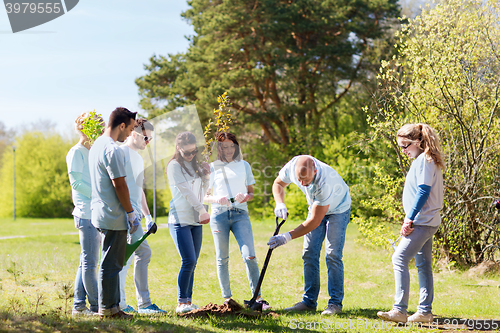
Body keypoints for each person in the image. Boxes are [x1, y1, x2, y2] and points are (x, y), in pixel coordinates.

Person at [377, 123, 444, 324]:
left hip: (422, 221)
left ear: (418, 142)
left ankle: (399, 310)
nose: (403, 150)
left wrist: (409, 218)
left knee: (399, 259)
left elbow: (423, 191)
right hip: (425, 221)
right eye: (401, 147)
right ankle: (424, 313)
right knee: (423, 264)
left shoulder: (425, 160)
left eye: (406, 145)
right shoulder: (423, 160)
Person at [267, 155, 351, 315]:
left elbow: (314, 221)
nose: (303, 184)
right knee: (309, 253)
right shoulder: (292, 166)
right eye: (300, 180)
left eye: (306, 180)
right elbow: (278, 183)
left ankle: (335, 305)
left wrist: (286, 237)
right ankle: (308, 302)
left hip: (338, 209)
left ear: (315, 171)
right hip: (316, 206)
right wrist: (280, 202)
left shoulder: (324, 181)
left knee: (332, 254)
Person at [89, 107, 140, 319]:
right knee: (112, 265)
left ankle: (113, 307)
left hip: (101, 212)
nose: (130, 134)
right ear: (121, 125)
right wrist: (130, 212)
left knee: (110, 263)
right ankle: (109, 310)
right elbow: (120, 185)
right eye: (130, 129)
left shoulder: (97, 145)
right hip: (113, 214)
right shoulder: (112, 150)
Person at [204, 132, 264, 303]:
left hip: (240, 215)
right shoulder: (213, 167)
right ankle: (227, 299)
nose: (229, 149)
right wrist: (216, 199)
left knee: (249, 256)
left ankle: (257, 298)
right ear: (220, 148)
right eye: (225, 146)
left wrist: (245, 196)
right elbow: (204, 196)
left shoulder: (244, 165)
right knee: (222, 258)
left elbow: (251, 193)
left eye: (232, 146)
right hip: (219, 215)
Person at [118, 118, 166, 314]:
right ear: (134, 133)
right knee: (125, 259)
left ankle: (139, 303)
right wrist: (128, 213)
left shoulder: (138, 158)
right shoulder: (121, 153)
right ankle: (124, 304)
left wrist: (148, 216)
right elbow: (117, 185)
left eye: (151, 139)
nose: (148, 142)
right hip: (125, 215)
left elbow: (139, 190)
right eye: (146, 138)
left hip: (136, 216)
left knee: (140, 254)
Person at [166, 132, 210, 314]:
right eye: (187, 153)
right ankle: (181, 303)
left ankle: (188, 302)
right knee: (188, 260)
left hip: (196, 220)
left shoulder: (196, 166)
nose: (191, 155)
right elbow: (185, 191)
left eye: (194, 152)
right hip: (180, 219)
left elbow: (202, 191)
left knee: (193, 262)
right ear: (178, 148)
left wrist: (207, 176)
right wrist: (202, 210)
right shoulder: (174, 166)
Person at [66, 112, 104, 316]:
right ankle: (97, 306)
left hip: (94, 211)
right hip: (86, 212)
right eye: (97, 127)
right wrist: (100, 194)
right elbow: (77, 183)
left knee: (85, 261)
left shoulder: (93, 151)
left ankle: (79, 307)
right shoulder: (76, 152)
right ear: (87, 128)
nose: (101, 131)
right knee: (90, 262)